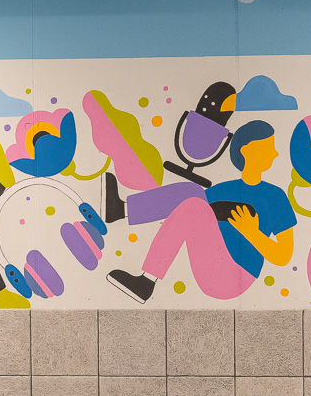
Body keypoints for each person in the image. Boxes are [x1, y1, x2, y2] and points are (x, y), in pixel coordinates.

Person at [109, 121, 294, 302]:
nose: (276, 153)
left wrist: (251, 232)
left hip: (237, 277)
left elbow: (283, 256)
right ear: (246, 150)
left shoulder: (275, 196)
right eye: (268, 147)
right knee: (192, 192)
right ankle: (121, 209)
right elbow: (181, 204)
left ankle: (147, 281)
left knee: (193, 205)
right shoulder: (224, 189)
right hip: (210, 266)